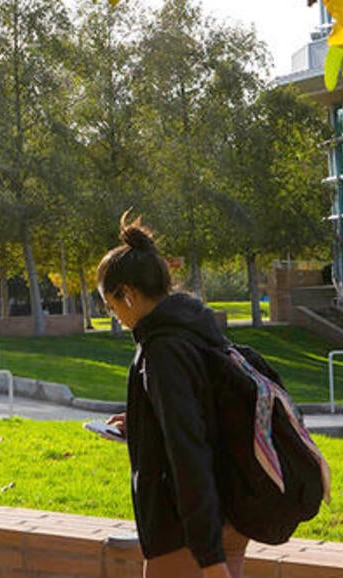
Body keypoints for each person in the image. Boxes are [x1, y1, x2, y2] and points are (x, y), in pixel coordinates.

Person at [94, 217, 248, 578]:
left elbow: (187, 452)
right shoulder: (197, 330)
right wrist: (144, 423)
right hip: (231, 509)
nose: (112, 314)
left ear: (127, 293)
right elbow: (203, 413)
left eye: (109, 303)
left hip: (188, 530)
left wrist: (209, 559)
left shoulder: (161, 350)